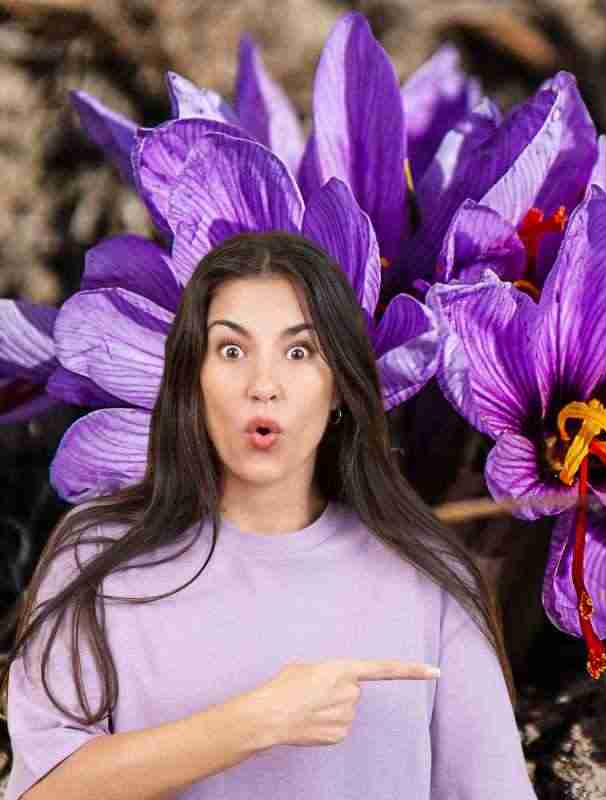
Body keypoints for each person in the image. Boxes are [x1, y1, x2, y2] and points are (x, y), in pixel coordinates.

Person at [0, 232, 537, 799]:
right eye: (231, 351)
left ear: (340, 387)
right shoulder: (99, 555)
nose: (263, 386)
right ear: (188, 378)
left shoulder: (424, 574)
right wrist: (256, 723)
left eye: (299, 352)